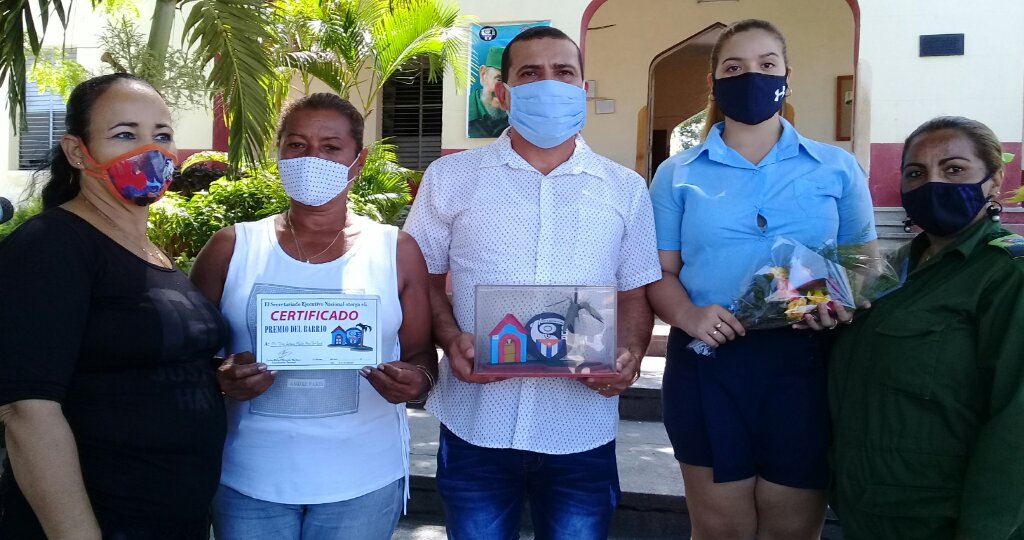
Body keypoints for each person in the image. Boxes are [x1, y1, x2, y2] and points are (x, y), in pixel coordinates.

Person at [404, 26, 661, 539]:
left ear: (582, 89)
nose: (550, 83)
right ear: (502, 93)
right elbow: (423, 277)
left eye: (563, 72)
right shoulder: (450, 177)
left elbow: (635, 291)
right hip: (477, 422)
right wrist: (450, 339)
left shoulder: (625, 188)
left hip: (580, 429)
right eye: (530, 73)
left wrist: (629, 355)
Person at [647, 19, 878, 540]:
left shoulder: (835, 168)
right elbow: (660, 273)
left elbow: (864, 266)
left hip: (808, 363)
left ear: (786, 76)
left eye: (766, 65)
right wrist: (688, 314)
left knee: (792, 531)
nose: (751, 76)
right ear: (713, 83)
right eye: (734, 67)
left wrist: (842, 299)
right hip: (708, 364)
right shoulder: (678, 173)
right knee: (718, 529)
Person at [189, 92, 435, 540]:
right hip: (250, 476)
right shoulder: (231, 247)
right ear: (279, 154)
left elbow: (421, 355)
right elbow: (187, 357)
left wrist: (415, 381)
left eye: (330, 147)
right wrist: (219, 375)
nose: (312, 158)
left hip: (363, 477)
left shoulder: (395, 250)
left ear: (356, 163)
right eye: (297, 145)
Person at [0, 73, 227, 539]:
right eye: (125, 134)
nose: (151, 150)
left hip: (173, 520)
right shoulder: (53, 245)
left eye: (161, 135)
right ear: (77, 151)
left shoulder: (149, 249)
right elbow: (27, 411)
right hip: (103, 521)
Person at [830, 116, 1024, 540]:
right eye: (915, 173)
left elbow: (1016, 423)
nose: (932, 183)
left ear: (994, 181)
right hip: (872, 510)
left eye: (954, 169)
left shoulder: (1007, 273)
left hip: (946, 517)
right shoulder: (890, 271)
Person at [467, 45, 509, 138]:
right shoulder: (464, 113)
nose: (505, 90)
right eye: (499, 79)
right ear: (483, 75)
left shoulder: (521, 118)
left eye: (512, 83)